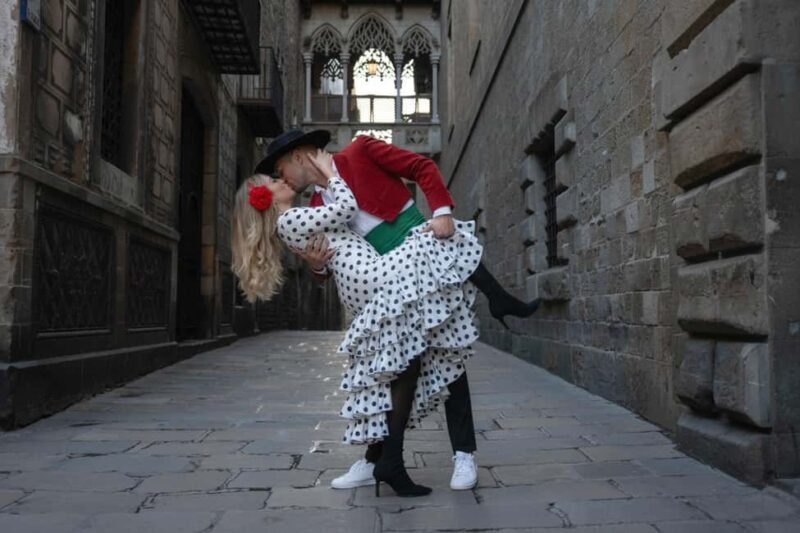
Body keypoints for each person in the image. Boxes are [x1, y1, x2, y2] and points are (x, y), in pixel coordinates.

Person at [252, 130, 539, 492]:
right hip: (383, 290)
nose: (283, 180)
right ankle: (377, 460)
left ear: (298, 156)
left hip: (419, 259)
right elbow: (329, 265)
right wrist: (315, 265)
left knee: (447, 356)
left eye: (280, 170)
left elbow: (421, 166)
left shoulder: (360, 150)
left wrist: (443, 211)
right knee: (386, 372)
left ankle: (463, 454)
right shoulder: (314, 206)